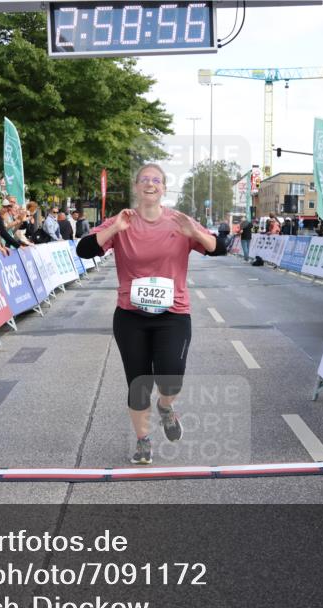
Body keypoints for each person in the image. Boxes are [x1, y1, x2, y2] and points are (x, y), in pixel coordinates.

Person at [76, 163, 226, 465]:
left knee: (171, 379)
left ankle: (166, 406)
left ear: (164, 188)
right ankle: (143, 441)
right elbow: (84, 250)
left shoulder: (179, 222)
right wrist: (115, 230)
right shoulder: (122, 221)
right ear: (136, 186)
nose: (150, 184)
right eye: (144, 179)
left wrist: (194, 231)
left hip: (173, 314)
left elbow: (219, 248)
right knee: (138, 384)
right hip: (131, 316)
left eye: (156, 180)